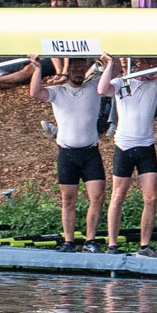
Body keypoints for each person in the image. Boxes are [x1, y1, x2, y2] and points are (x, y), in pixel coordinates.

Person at [99, 58, 157, 256]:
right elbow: (101, 89)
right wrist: (109, 64)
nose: (150, 70)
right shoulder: (121, 83)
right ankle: (112, 245)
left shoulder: (156, 84)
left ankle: (145, 246)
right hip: (124, 146)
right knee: (118, 196)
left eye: (153, 66)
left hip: (146, 146)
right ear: (136, 66)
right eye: (146, 65)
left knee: (151, 197)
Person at [30, 55, 109, 250]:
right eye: (75, 69)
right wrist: (37, 68)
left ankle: (90, 241)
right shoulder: (58, 92)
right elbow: (35, 93)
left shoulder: (94, 88)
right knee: (68, 199)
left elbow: (112, 74)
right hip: (67, 154)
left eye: (82, 69)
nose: (79, 73)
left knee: (97, 197)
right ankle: (69, 241)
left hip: (90, 152)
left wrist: (109, 60)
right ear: (68, 71)